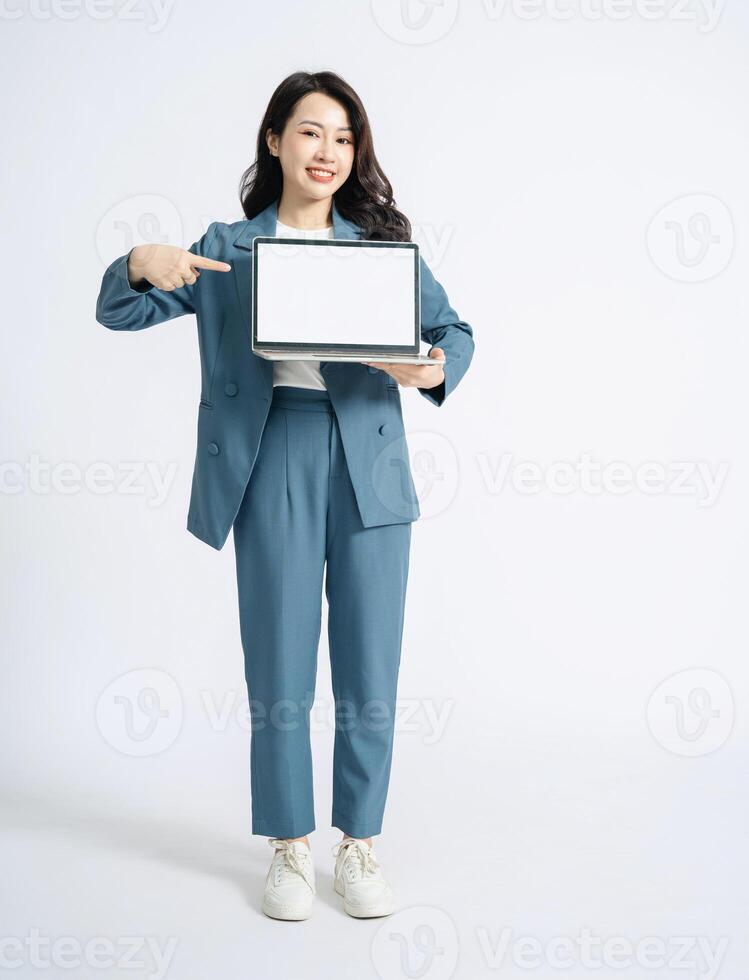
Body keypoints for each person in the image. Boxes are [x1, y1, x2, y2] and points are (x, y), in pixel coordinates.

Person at [96, 70, 475, 920]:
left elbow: (454, 331)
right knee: (279, 663)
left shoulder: (380, 251)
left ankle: (361, 845)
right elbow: (118, 312)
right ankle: (288, 849)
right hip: (272, 458)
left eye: (343, 139)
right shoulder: (227, 248)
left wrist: (433, 366)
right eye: (310, 132)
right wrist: (136, 263)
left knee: (370, 665)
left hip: (369, 462)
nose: (327, 152)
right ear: (274, 140)